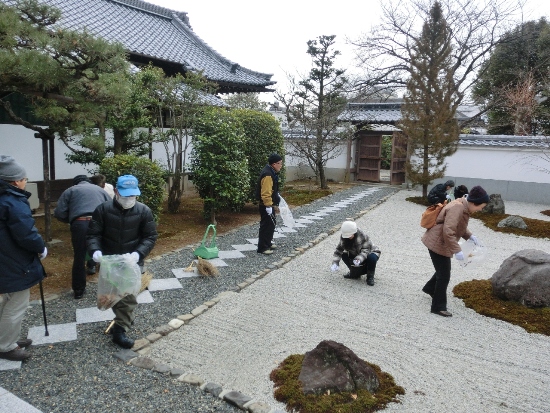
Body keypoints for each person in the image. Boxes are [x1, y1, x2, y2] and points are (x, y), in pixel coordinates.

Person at [87, 174, 157, 348]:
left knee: (128, 297)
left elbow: (150, 236)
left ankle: (120, 330)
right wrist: (94, 250)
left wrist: (138, 254)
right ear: (116, 191)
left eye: (132, 196)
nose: (129, 199)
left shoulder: (143, 211)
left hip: (132, 263)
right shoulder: (103, 210)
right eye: (126, 195)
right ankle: (122, 321)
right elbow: (93, 234)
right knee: (111, 295)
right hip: (110, 262)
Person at [0, 155, 47, 361]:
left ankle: (6, 338)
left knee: (6, 300)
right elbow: (26, 233)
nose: (26, 181)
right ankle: (5, 345)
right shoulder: (12, 201)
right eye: (24, 178)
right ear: (14, 181)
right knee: (16, 303)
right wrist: (41, 247)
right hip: (14, 260)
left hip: (5, 258)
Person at [421, 185, 489, 317]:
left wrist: (470, 236)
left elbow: (459, 227)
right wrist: (457, 251)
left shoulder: (463, 206)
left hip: (440, 241)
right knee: (444, 275)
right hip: (437, 242)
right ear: (474, 202)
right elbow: (448, 231)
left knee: (442, 271)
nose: (481, 210)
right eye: (481, 207)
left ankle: (430, 288)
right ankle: (438, 307)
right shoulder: (458, 207)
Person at [54, 175, 111, 299]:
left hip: (79, 223)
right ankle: (108, 288)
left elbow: (59, 213)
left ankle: (79, 291)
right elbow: (110, 208)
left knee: (79, 256)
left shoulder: (70, 190)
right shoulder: (100, 190)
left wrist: (71, 219)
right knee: (103, 253)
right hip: (98, 223)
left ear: (75, 183)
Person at [330, 221, 381, 286]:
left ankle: (370, 277)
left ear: (354, 232)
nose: (348, 237)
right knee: (344, 254)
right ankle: (354, 273)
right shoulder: (344, 237)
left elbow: (366, 250)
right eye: (346, 236)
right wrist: (335, 263)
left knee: (372, 258)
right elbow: (338, 250)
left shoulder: (362, 236)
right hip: (355, 253)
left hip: (369, 252)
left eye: (350, 235)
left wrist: (359, 259)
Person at [255, 153, 283, 255]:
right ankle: (262, 247)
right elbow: (266, 192)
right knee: (266, 225)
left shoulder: (271, 172)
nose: (281, 166)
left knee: (271, 224)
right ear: (274, 164)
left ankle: (268, 243)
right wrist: (268, 205)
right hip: (266, 205)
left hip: (270, 204)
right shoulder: (268, 175)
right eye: (280, 163)